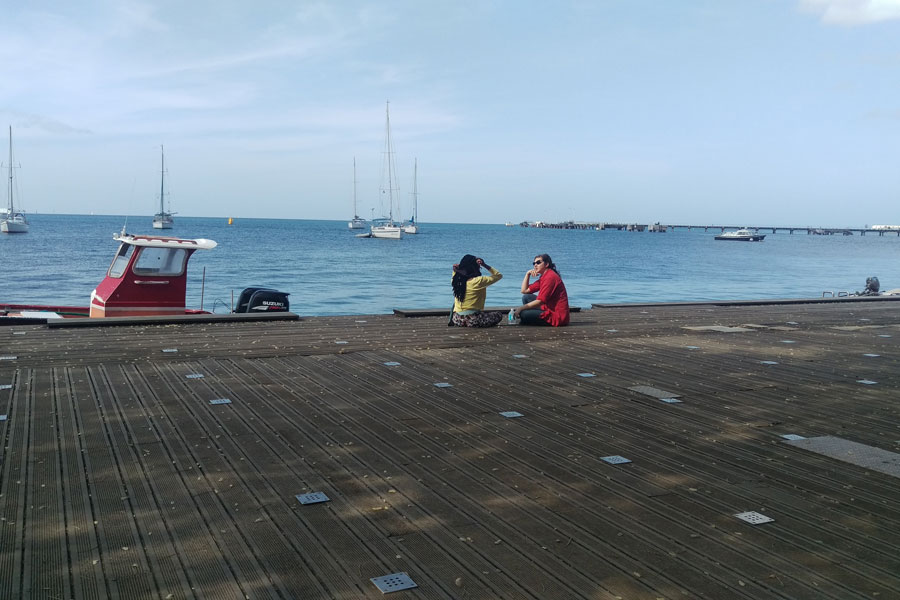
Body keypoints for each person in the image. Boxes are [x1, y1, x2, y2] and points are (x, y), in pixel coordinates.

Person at [513, 253, 569, 326]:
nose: (535, 265)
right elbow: (524, 291)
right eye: (534, 263)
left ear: (546, 264)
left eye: (538, 262)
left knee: (524, 313)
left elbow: (540, 301)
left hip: (557, 317)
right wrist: (527, 274)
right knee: (527, 297)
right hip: (548, 308)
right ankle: (531, 318)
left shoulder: (550, 277)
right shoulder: (544, 276)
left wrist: (520, 308)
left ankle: (530, 318)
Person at [450, 254, 504, 327]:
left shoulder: (456, 281)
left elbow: (456, 275)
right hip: (473, 320)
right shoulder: (478, 281)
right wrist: (484, 265)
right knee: (498, 315)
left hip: (457, 319)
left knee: (457, 300)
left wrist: (456, 270)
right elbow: (498, 275)